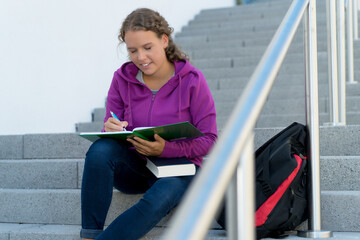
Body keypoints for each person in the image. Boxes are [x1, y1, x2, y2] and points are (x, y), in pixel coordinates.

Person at [80, 8, 217, 240]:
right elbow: (112, 125)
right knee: (99, 150)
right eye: (133, 50)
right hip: (137, 169)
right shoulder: (121, 79)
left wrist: (167, 149)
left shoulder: (192, 81)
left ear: (164, 41)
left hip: (179, 171)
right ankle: (89, 234)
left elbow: (209, 139)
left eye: (147, 48)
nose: (140, 58)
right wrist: (110, 129)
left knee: (162, 195)